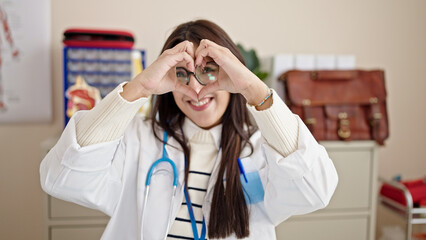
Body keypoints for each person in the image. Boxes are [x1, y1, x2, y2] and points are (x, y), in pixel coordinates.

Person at [40, 19, 338, 240]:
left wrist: (252, 89)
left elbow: (314, 191)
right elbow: (62, 179)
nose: (195, 88)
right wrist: (140, 87)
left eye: (209, 71)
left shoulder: (261, 149)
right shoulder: (140, 141)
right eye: (181, 74)